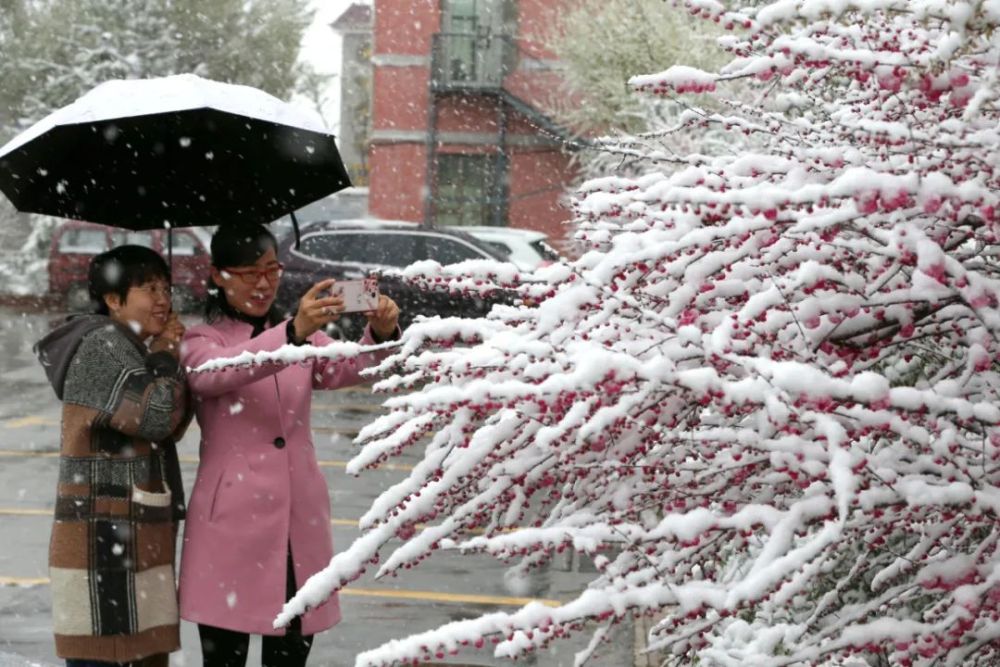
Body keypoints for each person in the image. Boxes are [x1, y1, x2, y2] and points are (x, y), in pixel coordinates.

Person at [177, 223, 400, 667]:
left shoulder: (299, 334)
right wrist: (292, 333)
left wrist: (381, 332)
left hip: (298, 517)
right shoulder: (203, 339)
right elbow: (217, 374)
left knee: (291, 652)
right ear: (219, 276)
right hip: (232, 522)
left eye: (271, 270)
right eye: (248, 273)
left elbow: (347, 368)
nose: (263, 283)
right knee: (225, 657)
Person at [34, 245, 191, 667]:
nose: (163, 299)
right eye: (147, 289)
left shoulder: (131, 344)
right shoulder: (101, 345)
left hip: (127, 528)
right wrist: (166, 355)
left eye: (165, 287)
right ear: (113, 300)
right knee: (108, 655)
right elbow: (157, 415)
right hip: (103, 532)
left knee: (136, 652)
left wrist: (161, 356)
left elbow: (170, 421)